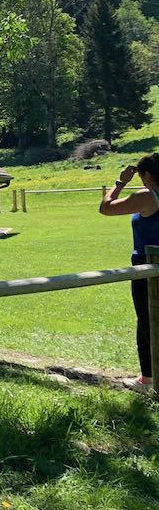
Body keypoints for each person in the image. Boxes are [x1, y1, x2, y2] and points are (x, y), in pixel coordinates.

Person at [98, 155, 159, 394]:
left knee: (147, 321)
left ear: (145, 175)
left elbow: (106, 208)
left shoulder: (147, 196)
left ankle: (148, 380)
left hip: (147, 265)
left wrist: (120, 182)